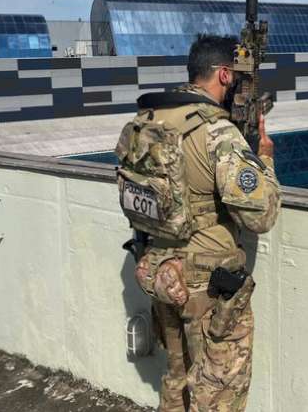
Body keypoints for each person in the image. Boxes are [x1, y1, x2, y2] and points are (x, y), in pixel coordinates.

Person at [116, 34, 281, 412]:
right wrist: (265, 161)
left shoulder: (148, 120)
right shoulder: (216, 132)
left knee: (178, 380)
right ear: (224, 75)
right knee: (218, 396)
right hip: (206, 288)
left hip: (159, 271)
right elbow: (261, 216)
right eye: (235, 78)